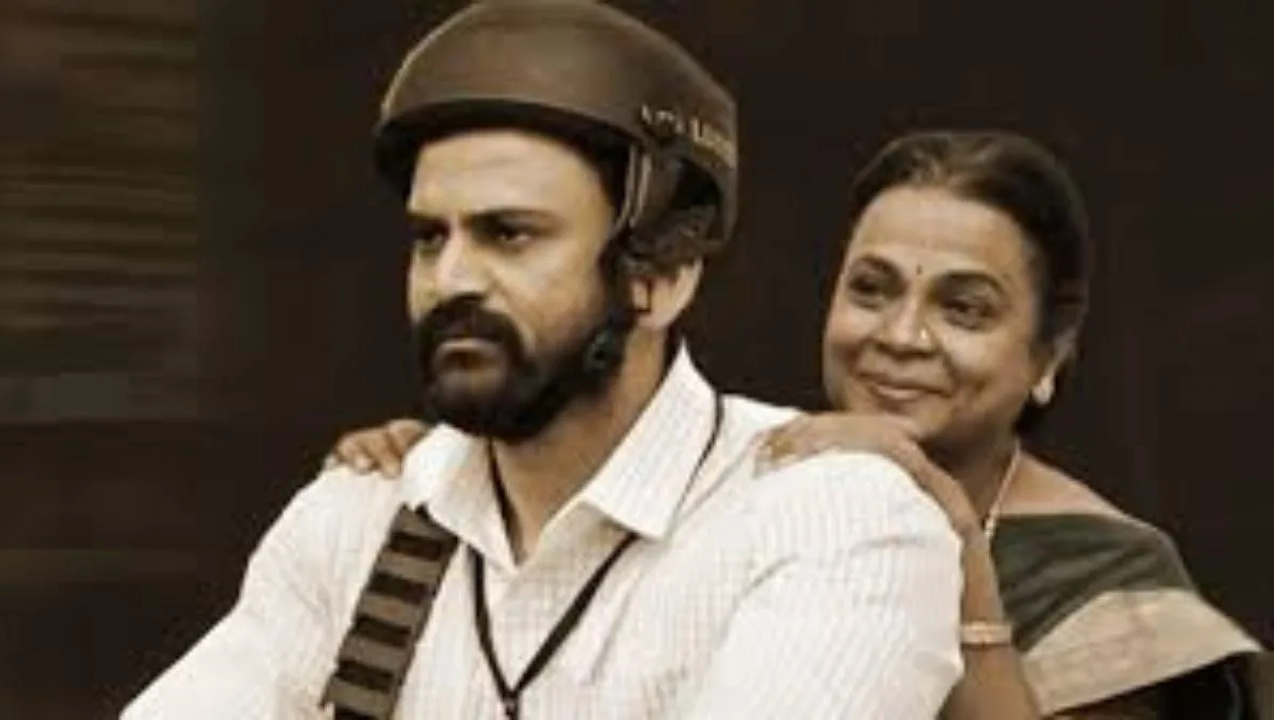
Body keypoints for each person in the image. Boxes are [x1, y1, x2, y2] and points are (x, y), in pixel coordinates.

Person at [124, 3, 969, 718]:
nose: (450, 279)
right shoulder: (359, 519)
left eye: (509, 235)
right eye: (430, 237)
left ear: (661, 276)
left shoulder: (827, 520)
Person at [328, 130, 1268, 717]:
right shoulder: (754, 492)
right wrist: (463, 472)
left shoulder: (1111, 591)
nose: (901, 336)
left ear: (1049, 357)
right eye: (872, 289)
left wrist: (955, 543)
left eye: (965, 308)